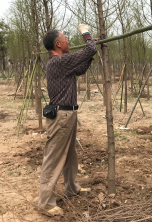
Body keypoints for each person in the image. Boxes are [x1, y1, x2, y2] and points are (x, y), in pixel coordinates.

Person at [38, 24, 97, 216]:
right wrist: (86, 33)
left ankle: (71, 188)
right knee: (54, 158)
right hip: (61, 116)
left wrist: (92, 52)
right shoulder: (58, 62)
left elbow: (80, 69)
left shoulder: (64, 63)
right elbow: (89, 49)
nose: (68, 41)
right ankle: (45, 203)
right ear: (58, 44)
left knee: (70, 155)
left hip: (69, 114)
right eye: (65, 38)